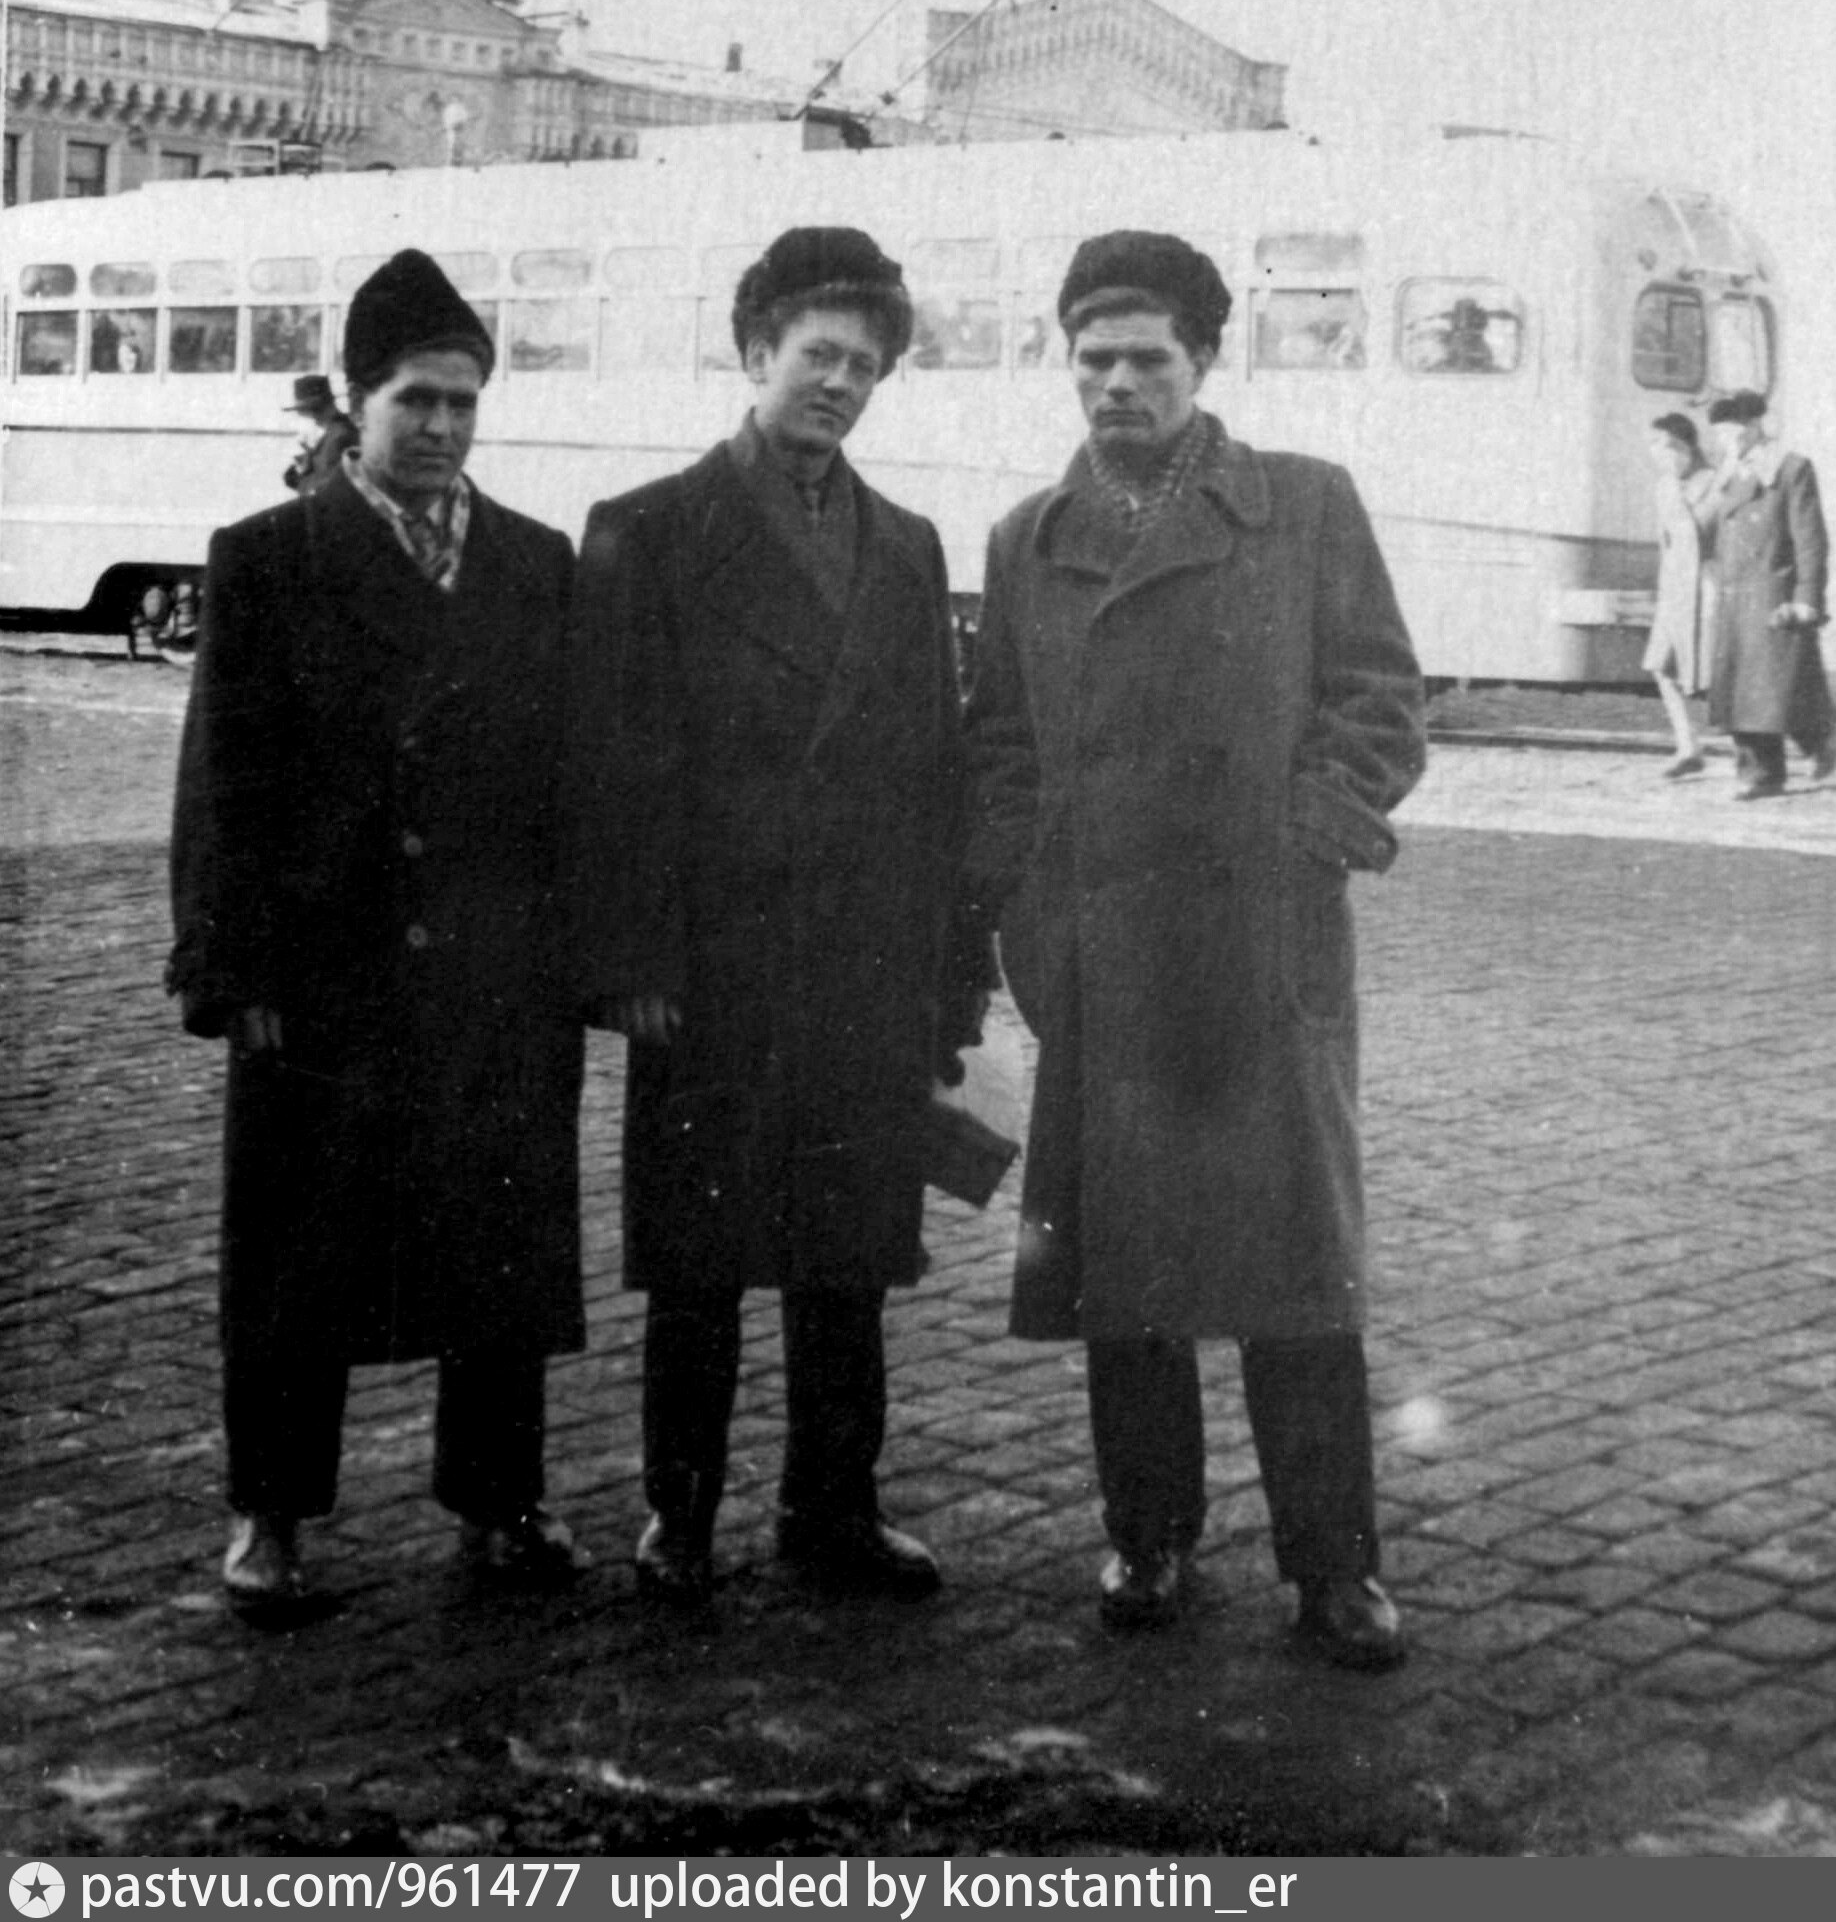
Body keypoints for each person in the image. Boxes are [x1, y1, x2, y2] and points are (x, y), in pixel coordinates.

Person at [964, 231, 1427, 1671]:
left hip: (1258, 951)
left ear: (1205, 361)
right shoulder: (1028, 538)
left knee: (1296, 1278)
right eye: (1092, 358)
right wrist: (1030, 903)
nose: (1116, 384)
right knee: (1128, 1278)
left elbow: (1379, 697)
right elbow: (1000, 747)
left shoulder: (1303, 504)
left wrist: (1306, 838)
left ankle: (1333, 1567)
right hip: (1102, 957)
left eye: (1146, 359)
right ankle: (1149, 1535)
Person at [565, 227, 987, 1605]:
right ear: (755, 353)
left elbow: (935, 776)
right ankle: (678, 1514)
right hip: (714, 966)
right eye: (819, 356)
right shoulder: (647, 531)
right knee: (700, 1259)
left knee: (846, 1258)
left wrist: (946, 980)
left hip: (863, 963)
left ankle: (832, 1511)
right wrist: (631, 959)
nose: (841, 385)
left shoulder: (906, 547)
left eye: (865, 366)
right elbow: (611, 768)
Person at [169, 250, 585, 1614]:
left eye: (465, 401)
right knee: (298, 1251)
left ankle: (500, 1502)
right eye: (418, 400)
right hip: (326, 969)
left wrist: (568, 953)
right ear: (357, 403)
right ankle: (273, 1514)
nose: (444, 427)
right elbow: (221, 777)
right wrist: (233, 961)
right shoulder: (268, 557)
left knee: (495, 1244)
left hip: (490, 968)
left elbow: (564, 779)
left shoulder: (533, 561)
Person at [1703, 390, 1836, 801]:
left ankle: (1803, 749)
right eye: (1719, 434)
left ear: (1752, 427)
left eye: (1729, 432)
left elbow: (1810, 539)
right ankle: (1764, 769)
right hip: (1735, 595)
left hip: (1773, 594)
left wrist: (1808, 596)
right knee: (1745, 690)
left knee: (1772, 689)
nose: (1723, 441)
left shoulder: (1790, 469)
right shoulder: (1728, 474)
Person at [1642, 412, 1717, 777]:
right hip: (1675, 590)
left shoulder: (1714, 483)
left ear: (1684, 447)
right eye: (1653, 445)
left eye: (1664, 445)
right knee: (1662, 666)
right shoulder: (1664, 487)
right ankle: (1688, 747)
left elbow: (1707, 537)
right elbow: (1665, 543)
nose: (1657, 452)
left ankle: (1766, 747)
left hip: (1708, 590)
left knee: (1713, 675)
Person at [282, 373, 357, 493]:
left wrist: (299, 480)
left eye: (304, 412)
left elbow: (326, 490)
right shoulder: (336, 431)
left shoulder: (339, 437)